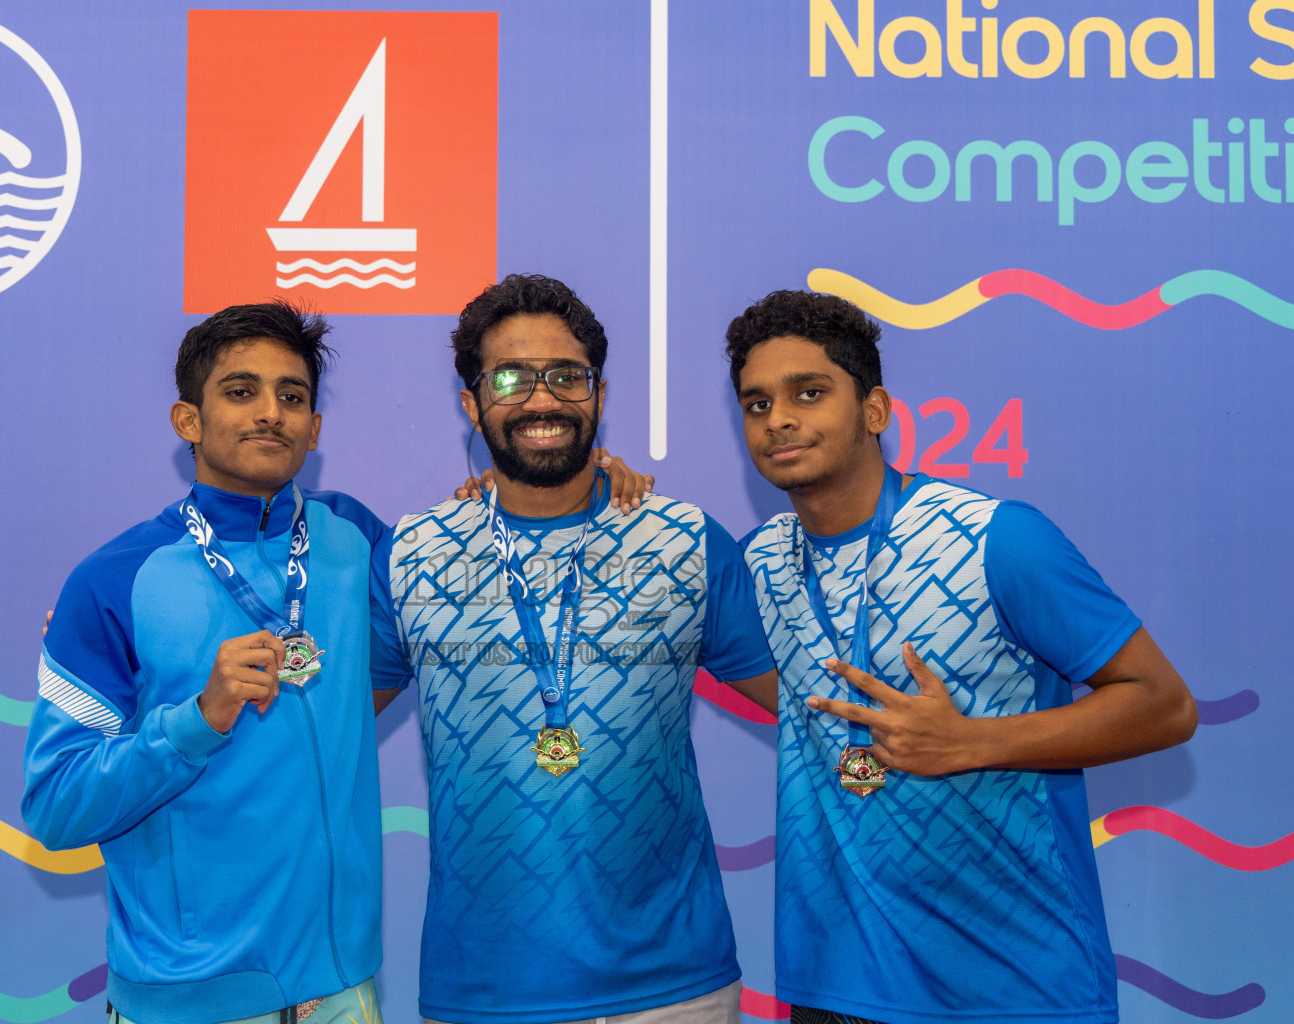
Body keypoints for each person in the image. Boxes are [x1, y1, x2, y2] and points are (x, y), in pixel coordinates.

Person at [728, 290, 1197, 1024]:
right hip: (833, 990)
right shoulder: (757, 564)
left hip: (1012, 988)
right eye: (756, 405)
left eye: (809, 393)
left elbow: (1163, 704)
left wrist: (971, 741)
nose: (779, 419)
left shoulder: (998, 538)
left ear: (875, 410)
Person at [370, 274, 779, 1024]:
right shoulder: (409, 552)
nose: (542, 398)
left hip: (675, 989)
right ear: (472, 401)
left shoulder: (682, 539)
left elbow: (807, 702)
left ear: (596, 394)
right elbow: (320, 730)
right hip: (484, 993)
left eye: (566, 376)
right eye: (511, 378)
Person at [22, 301, 388, 1024]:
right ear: (187, 420)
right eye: (241, 390)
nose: (270, 413)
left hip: (342, 991)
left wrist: (597, 484)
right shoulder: (113, 579)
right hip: (189, 1003)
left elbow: (478, 566)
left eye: (292, 397)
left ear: (315, 429)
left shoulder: (358, 538)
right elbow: (55, 807)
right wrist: (195, 720)